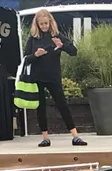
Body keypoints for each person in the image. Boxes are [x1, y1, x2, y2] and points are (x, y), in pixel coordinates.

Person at [23, 9, 87, 147]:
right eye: (41, 24)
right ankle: (45, 137)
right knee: (40, 108)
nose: (44, 26)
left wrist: (62, 46)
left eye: (46, 23)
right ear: (37, 24)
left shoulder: (56, 35)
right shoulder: (33, 39)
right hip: (38, 77)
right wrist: (36, 55)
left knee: (62, 105)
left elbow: (73, 51)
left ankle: (75, 136)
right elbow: (26, 59)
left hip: (53, 76)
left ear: (50, 22)